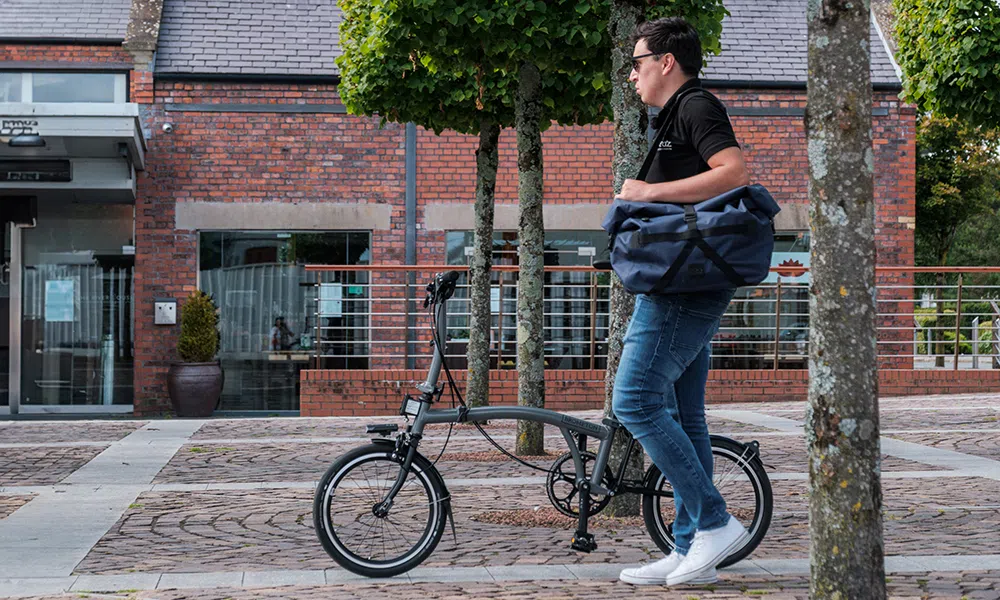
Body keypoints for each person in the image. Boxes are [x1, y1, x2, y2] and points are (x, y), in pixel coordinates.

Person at [611, 17, 751, 587]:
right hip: (686, 281)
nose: (633, 73)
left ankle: (714, 522)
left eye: (639, 61)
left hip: (683, 289)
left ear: (667, 61)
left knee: (636, 401)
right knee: (686, 415)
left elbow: (733, 171)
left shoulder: (695, 105)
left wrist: (648, 191)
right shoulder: (669, 117)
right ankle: (693, 544)